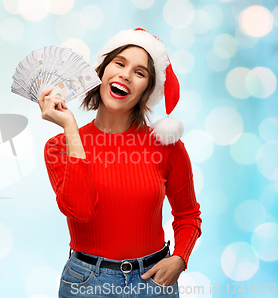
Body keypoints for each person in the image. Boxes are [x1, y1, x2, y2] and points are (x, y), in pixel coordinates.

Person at [38, 28, 202, 297]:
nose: (126, 74)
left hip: (154, 282)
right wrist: (70, 128)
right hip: (87, 283)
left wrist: (180, 259)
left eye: (140, 73)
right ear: (101, 72)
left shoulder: (167, 146)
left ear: (147, 90)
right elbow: (80, 210)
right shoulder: (58, 147)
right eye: (120, 63)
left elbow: (188, 215)